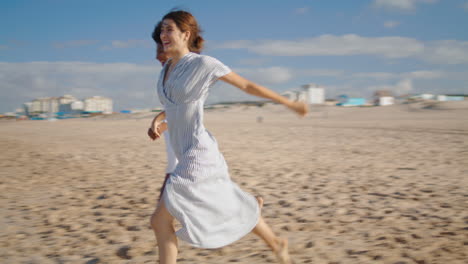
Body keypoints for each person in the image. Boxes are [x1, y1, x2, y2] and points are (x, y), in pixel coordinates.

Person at [148, 10, 308, 264]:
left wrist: (289, 103)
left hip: (198, 153)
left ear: (185, 34)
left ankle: (249, 208)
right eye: (162, 30)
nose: (163, 35)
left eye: (169, 29)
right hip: (185, 151)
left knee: (160, 220)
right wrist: (159, 122)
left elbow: (246, 86)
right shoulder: (165, 70)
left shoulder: (203, 65)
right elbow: (177, 110)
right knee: (176, 216)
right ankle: (256, 217)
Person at [148, 23, 178, 201]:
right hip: (175, 159)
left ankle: (249, 209)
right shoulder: (167, 79)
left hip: (184, 160)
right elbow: (172, 109)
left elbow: (184, 114)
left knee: (162, 213)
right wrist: (158, 122)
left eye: (162, 49)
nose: (157, 56)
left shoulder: (181, 79)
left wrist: (159, 124)